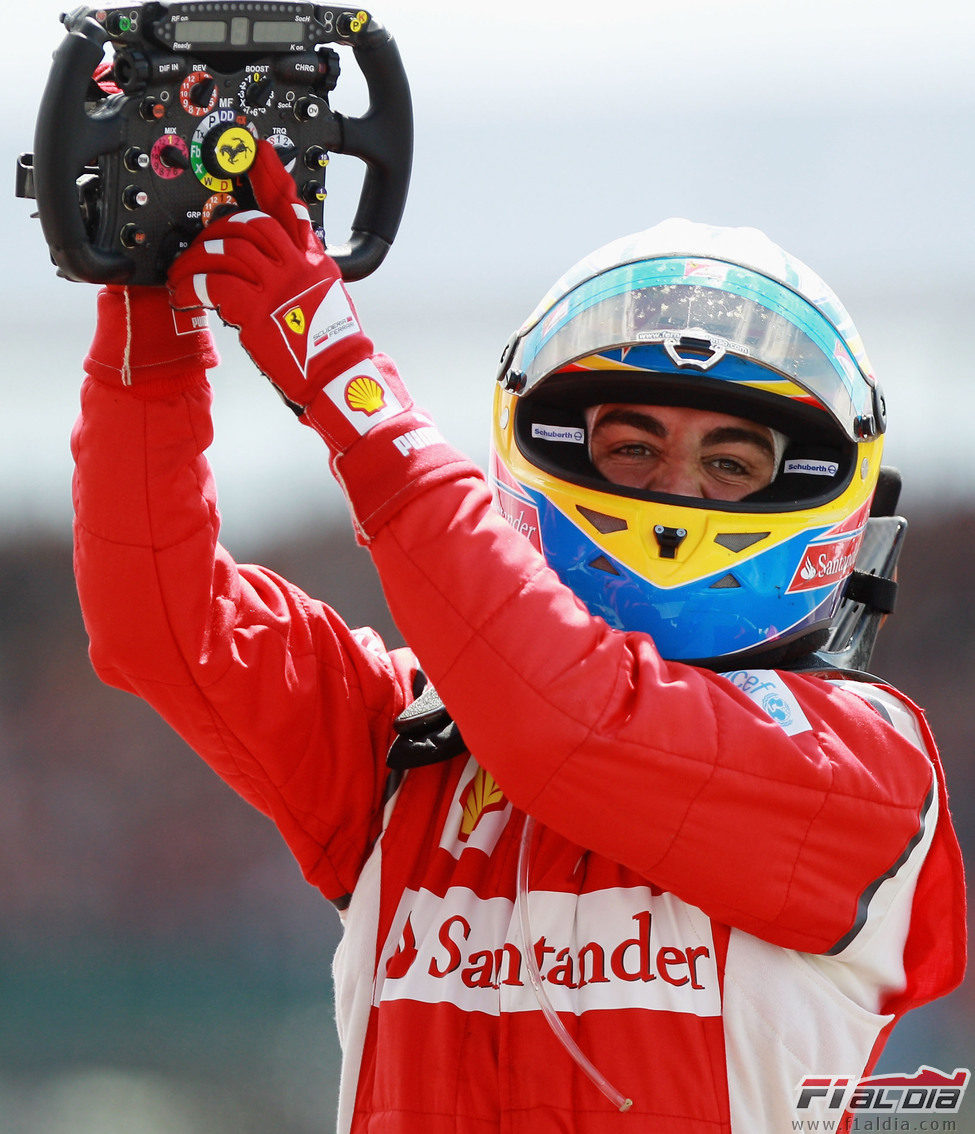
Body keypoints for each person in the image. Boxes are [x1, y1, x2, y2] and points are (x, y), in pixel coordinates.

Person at [71, 141, 965, 1133]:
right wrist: (147, 325)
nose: (675, 492)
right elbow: (157, 619)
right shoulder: (419, 731)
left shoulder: (865, 762)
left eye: (730, 461)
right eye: (632, 448)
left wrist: (340, 373)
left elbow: (569, 722)